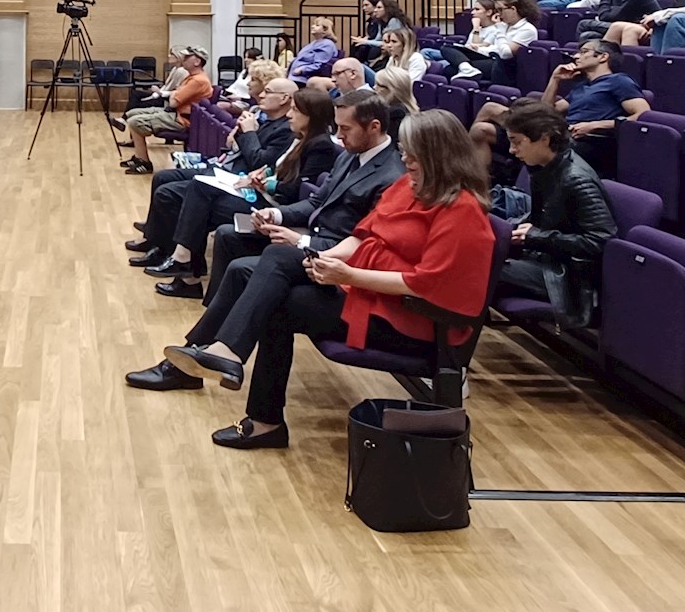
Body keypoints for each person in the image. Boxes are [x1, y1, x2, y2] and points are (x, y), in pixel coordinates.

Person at [132, 110, 494, 452]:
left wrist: (347, 275)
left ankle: (250, 401)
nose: (406, 161)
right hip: (364, 291)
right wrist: (327, 260)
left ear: (439, 155)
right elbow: (362, 236)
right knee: (265, 264)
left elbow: (426, 284)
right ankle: (226, 365)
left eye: (413, 155)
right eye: (405, 152)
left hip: (408, 319)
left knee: (275, 300)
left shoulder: (463, 210)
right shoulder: (409, 185)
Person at [125, 90, 408, 391]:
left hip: (333, 259)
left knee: (260, 264)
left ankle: (209, 356)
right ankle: (200, 356)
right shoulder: (353, 155)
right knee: (233, 248)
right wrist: (276, 215)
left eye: (345, 129)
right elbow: (316, 203)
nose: (338, 135)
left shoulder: (390, 175)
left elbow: (364, 244)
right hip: (312, 239)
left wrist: (301, 241)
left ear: (374, 126)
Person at [140, 84, 340, 299]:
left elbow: (295, 189)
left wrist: (267, 183)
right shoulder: (300, 137)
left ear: (312, 115)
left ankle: (186, 269)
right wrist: (264, 175)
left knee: (198, 203)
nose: (290, 115)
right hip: (260, 193)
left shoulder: (320, 145)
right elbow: (278, 168)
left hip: (274, 207)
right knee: (197, 198)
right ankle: (186, 270)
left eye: (296, 111)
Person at [128, 75, 299, 270]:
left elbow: (258, 162)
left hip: (244, 183)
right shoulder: (266, 119)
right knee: (163, 177)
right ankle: (156, 240)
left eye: (268, 92)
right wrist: (239, 134)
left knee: (172, 194)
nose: (261, 95)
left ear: (284, 98)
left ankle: (175, 256)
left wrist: (248, 132)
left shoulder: (286, 129)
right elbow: (235, 147)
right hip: (230, 171)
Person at [492, 100, 617, 323]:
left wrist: (536, 237)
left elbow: (601, 241)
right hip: (546, 259)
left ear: (544, 138)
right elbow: (543, 218)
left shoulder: (576, 179)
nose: (511, 150)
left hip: (567, 277)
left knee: (480, 268)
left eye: (517, 142)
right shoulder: (544, 167)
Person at [539, 38, 648, 170]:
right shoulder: (581, 86)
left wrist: (595, 125)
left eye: (584, 52)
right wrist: (555, 79)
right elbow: (545, 112)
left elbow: (643, 116)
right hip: (569, 137)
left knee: (537, 145)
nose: (576, 56)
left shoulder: (619, 81)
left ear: (603, 57)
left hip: (594, 142)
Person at [114, 47, 213, 173]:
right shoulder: (193, 77)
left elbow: (173, 101)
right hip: (178, 114)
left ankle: (144, 163)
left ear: (197, 62)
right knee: (132, 114)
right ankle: (139, 157)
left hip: (183, 120)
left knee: (135, 122)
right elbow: (175, 94)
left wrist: (172, 94)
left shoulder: (198, 80)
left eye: (188, 57)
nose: (184, 59)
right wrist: (173, 94)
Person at [441, 0, 538, 83]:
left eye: (500, 10)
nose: (498, 14)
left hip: (504, 66)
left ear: (513, 9)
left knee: (450, 70)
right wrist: (479, 49)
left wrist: (500, 30)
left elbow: (505, 54)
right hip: (491, 58)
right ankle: (466, 68)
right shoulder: (505, 25)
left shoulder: (527, 29)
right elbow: (496, 47)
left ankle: (467, 68)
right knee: (447, 48)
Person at [287, 17, 340, 82]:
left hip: (304, 79)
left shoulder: (327, 44)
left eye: (317, 25)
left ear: (325, 29)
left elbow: (320, 64)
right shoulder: (314, 43)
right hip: (295, 76)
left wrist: (302, 69)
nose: (312, 26)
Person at [374, 67, 419, 138]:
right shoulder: (406, 108)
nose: (374, 87)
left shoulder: (395, 114)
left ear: (393, 90)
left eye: (379, 85)